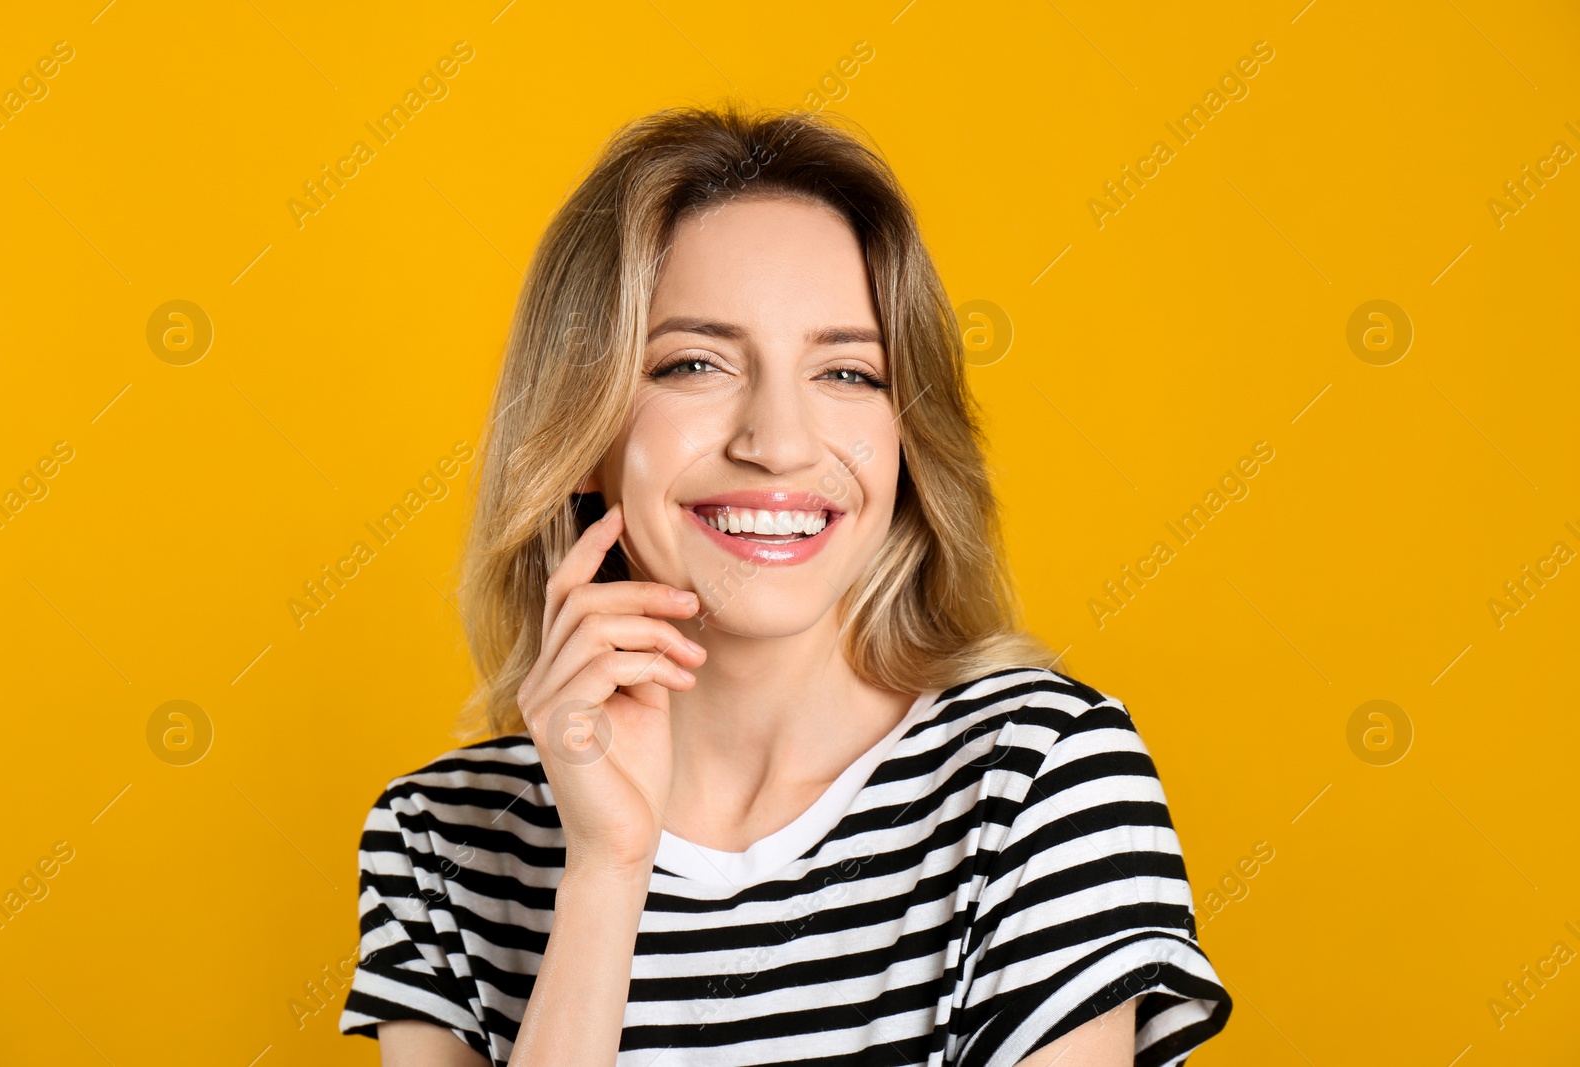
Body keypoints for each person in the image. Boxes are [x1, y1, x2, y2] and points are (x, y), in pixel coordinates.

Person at [337, 103, 1230, 1066]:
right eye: (695, 363)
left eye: (847, 372)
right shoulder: (439, 841)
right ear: (583, 433)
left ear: (905, 436)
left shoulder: (1039, 777)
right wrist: (605, 870)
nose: (778, 442)